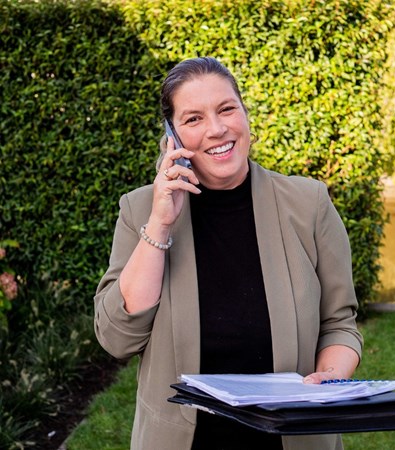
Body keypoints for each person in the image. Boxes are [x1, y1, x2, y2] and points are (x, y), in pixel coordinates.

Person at [94, 56, 363, 450]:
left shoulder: (309, 204)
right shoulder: (140, 211)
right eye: (193, 119)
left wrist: (328, 378)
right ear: (172, 137)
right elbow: (118, 338)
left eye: (226, 109)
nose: (217, 129)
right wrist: (161, 223)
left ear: (245, 114)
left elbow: (339, 323)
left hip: (294, 438)